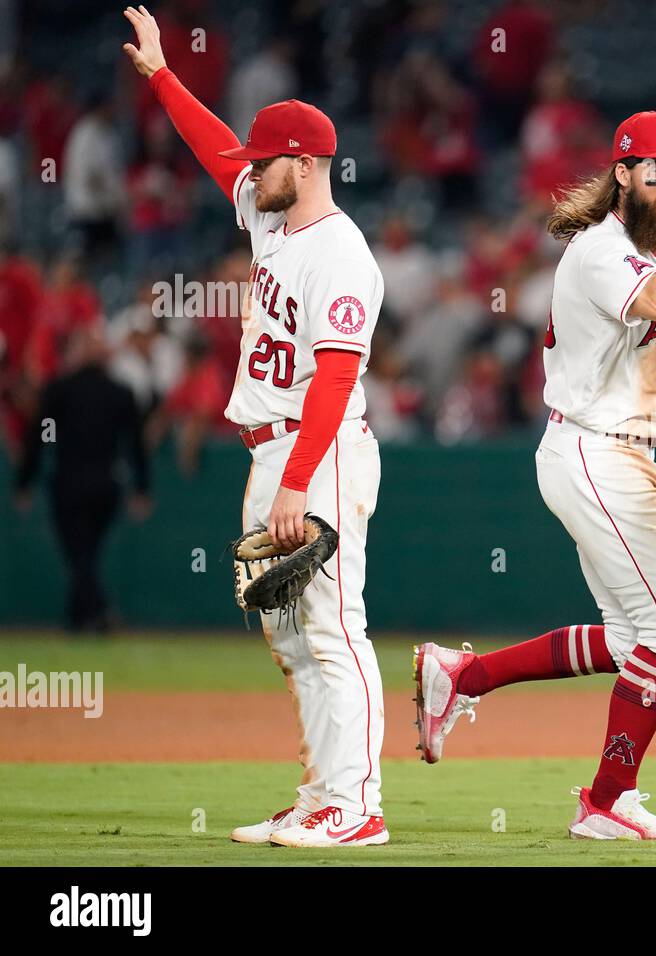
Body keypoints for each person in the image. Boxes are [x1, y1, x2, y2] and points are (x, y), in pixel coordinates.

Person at [415, 111, 656, 840]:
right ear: (622, 174)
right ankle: (605, 800)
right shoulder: (603, 250)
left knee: (632, 641)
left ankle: (461, 677)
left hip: (611, 452)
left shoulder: (642, 252)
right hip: (597, 453)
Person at [123, 6, 387, 848]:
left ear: (304, 165)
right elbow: (213, 150)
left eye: (264, 160)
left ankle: (359, 807)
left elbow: (338, 378)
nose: (249, 170)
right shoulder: (274, 214)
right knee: (287, 632)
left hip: (323, 448)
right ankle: (321, 792)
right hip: (271, 449)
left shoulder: (342, 254)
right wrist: (164, 76)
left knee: (335, 624)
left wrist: (302, 480)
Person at [14, 325, 151, 631]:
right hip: (105, 485)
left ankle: (98, 610)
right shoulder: (118, 392)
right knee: (86, 552)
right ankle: (79, 617)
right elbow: (135, 444)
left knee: (80, 553)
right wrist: (141, 487)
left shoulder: (60, 389)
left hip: (69, 485)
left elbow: (37, 439)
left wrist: (24, 482)